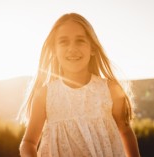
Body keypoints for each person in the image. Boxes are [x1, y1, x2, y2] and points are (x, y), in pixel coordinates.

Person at [18, 13, 140, 157]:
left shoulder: (110, 90)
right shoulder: (45, 95)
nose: (72, 48)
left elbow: (125, 132)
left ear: (93, 48)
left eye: (80, 41)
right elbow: (28, 143)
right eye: (64, 41)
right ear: (54, 50)